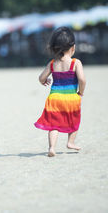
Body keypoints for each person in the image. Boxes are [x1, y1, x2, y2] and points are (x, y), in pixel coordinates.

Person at [34, 27, 86, 157]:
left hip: (55, 98)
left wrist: (44, 82)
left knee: (53, 125)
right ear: (73, 47)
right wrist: (81, 92)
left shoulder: (52, 63)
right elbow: (82, 79)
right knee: (74, 120)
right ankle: (70, 142)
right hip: (71, 98)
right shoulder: (75, 63)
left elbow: (41, 78)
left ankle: (52, 147)